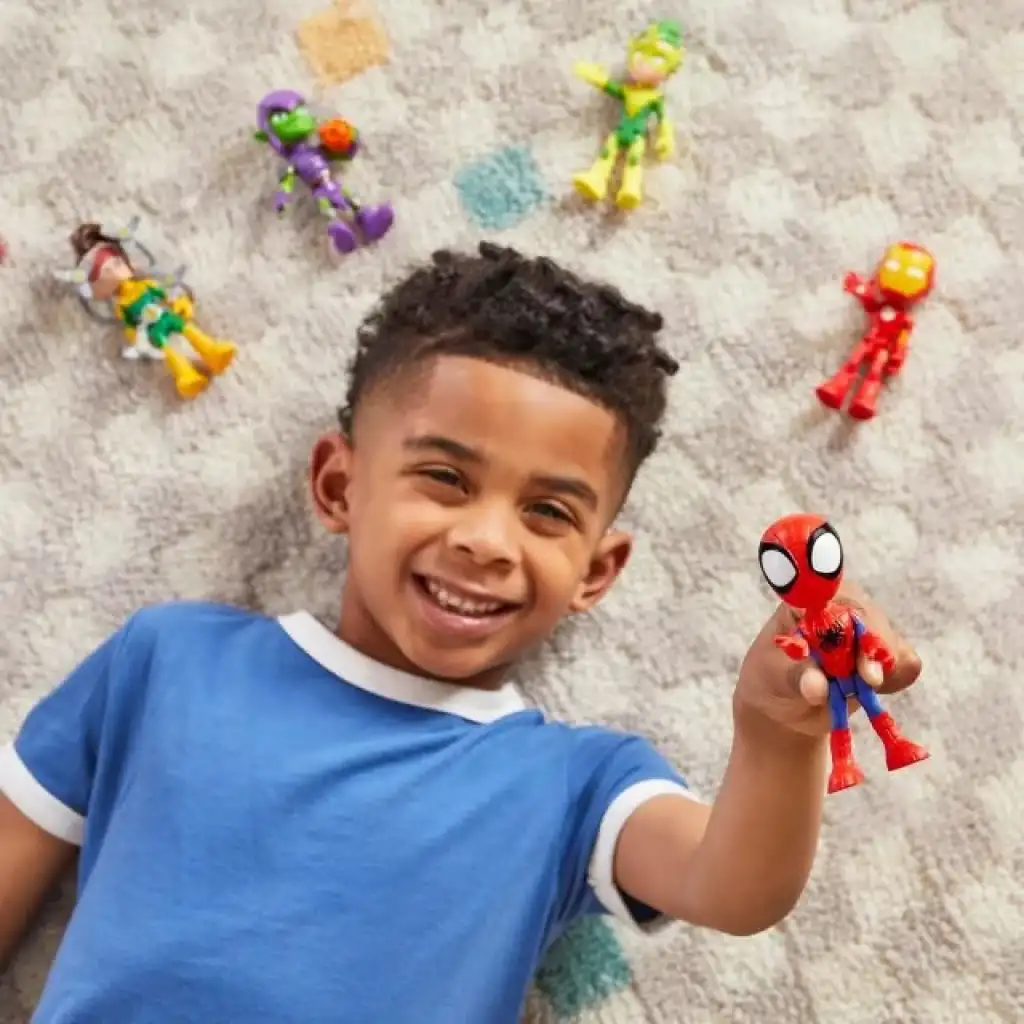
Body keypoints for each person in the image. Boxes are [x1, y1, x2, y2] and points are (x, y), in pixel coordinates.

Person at [0, 243, 922, 1023]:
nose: (486, 541)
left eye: (549, 513)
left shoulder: (574, 782)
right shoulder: (169, 659)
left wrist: (776, 731)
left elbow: (734, 887)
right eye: (444, 478)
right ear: (338, 486)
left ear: (596, 572)